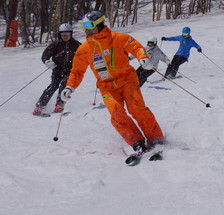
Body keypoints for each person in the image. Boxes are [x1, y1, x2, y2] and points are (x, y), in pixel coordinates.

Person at [61, 11, 163, 153]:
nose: (86, 29)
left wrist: (142, 57)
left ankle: (155, 138)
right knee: (116, 113)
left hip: (127, 79)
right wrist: (70, 87)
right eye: (83, 26)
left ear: (99, 24)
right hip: (106, 86)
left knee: (136, 108)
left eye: (89, 25)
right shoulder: (84, 49)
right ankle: (136, 142)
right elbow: (77, 71)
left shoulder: (118, 38)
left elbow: (136, 47)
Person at [33, 23, 81, 116]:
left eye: (67, 34)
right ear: (60, 35)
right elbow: (45, 56)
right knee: (53, 86)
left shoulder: (76, 45)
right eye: (63, 34)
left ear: (71, 34)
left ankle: (59, 104)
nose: (65, 36)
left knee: (64, 86)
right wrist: (47, 62)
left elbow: (85, 54)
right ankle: (39, 106)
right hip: (57, 70)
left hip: (70, 70)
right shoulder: (56, 45)